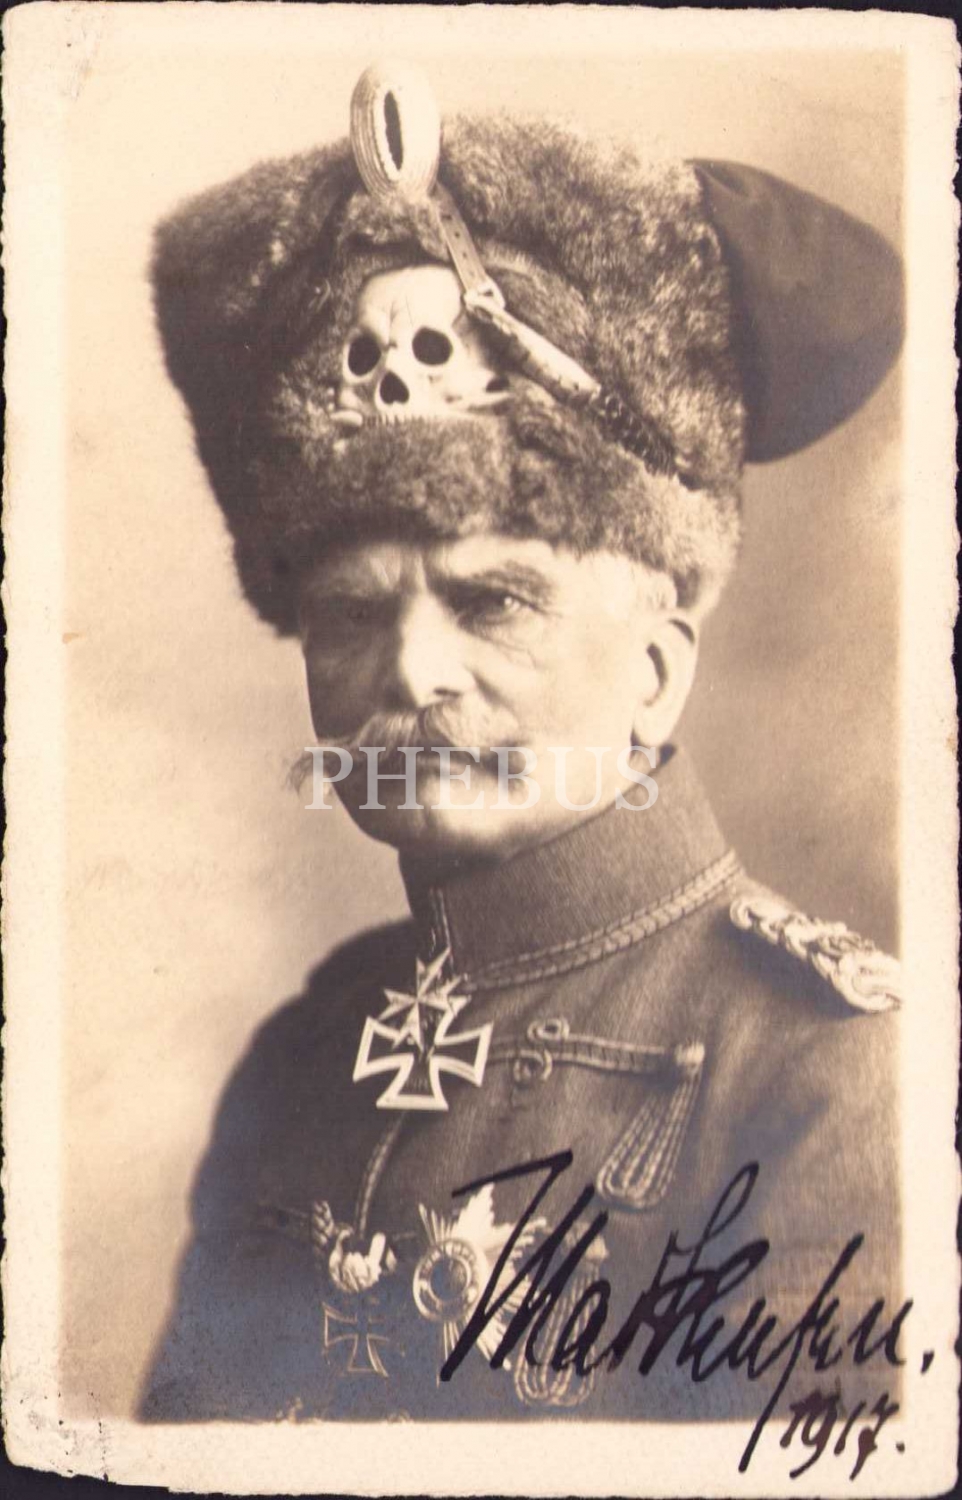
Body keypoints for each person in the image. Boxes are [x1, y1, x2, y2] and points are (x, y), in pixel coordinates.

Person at [140, 62, 905, 1426]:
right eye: (350, 613)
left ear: (658, 670)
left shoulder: (832, 1072)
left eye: (493, 600)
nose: (411, 671)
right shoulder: (304, 1054)